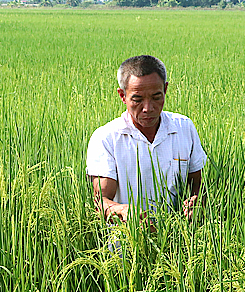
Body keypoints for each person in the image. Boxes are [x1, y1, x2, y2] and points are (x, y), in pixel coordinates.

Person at [86, 55, 206, 222]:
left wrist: (197, 201)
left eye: (156, 97)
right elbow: (101, 201)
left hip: (178, 237)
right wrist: (122, 210)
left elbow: (198, 186)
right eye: (137, 99)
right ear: (122, 95)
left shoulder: (184, 128)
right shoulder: (107, 138)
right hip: (126, 241)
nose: (148, 108)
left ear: (165, 90)